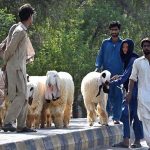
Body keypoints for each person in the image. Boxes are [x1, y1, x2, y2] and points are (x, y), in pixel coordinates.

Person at [2, 3, 36, 132]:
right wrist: (6, 61)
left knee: (24, 96)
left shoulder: (21, 30)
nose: (32, 18)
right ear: (29, 16)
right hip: (15, 68)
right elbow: (10, 48)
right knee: (21, 95)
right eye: (32, 15)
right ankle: (8, 122)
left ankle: (21, 125)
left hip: (19, 68)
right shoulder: (20, 31)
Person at [111, 39, 143, 148]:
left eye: (126, 47)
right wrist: (118, 77)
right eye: (123, 47)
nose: (124, 49)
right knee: (128, 116)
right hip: (132, 90)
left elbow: (126, 77)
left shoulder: (133, 59)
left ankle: (136, 141)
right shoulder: (129, 59)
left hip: (135, 91)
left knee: (132, 116)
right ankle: (127, 140)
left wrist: (111, 83)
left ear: (131, 48)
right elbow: (126, 75)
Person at [95, 21, 123, 124]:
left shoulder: (123, 43)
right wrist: (97, 67)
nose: (114, 31)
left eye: (116, 29)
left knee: (118, 95)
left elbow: (126, 58)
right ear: (110, 31)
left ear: (119, 30)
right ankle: (103, 118)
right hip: (106, 74)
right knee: (104, 96)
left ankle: (116, 118)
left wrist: (125, 74)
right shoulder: (105, 43)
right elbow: (100, 55)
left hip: (119, 75)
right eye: (112, 30)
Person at [126, 37, 150, 149]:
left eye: (148, 46)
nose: (146, 48)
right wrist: (129, 92)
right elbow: (132, 78)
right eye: (144, 46)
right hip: (143, 97)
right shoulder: (137, 62)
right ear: (142, 48)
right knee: (145, 121)